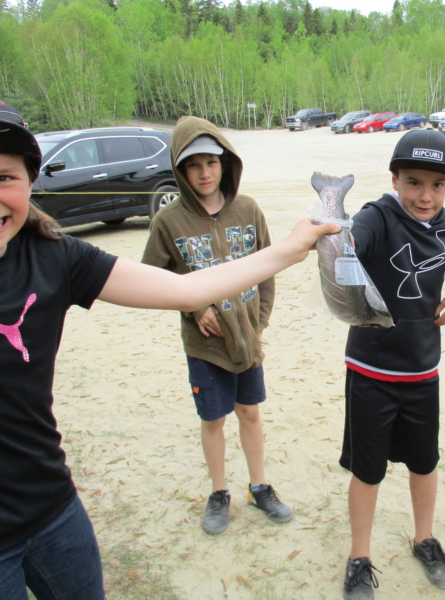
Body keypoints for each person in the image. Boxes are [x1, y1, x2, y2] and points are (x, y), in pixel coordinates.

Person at [0, 89, 338, 599]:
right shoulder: (166, 220)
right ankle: (220, 492)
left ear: (30, 179)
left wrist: (292, 248)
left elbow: (185, 287)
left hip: (53, 509)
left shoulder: (53, 256)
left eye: (3, 177)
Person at [339, 128, 445, 599]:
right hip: (371, 372)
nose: (425, 195)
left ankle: (425, 539)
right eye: (414, 181)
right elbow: (350, 242)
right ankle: (359, 557)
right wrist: (337, 235)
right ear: (394, 179)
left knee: (424, 462)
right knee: (368, 470)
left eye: (438, 184)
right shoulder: (377, 216)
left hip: (423, 372)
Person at [142, 116, 291, 535]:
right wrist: (194, 307)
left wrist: (259, 323)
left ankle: (259, 487)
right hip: (205, 346)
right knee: (213, 420)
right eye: (193, 165)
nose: (204, 173)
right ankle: (219, 493)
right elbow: (152, 279)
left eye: (211, 162)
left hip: (247, 338)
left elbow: (267, 270)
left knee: (250, 412)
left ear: (225, 163)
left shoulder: (248, 210)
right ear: (180, 170)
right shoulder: (168, 222)